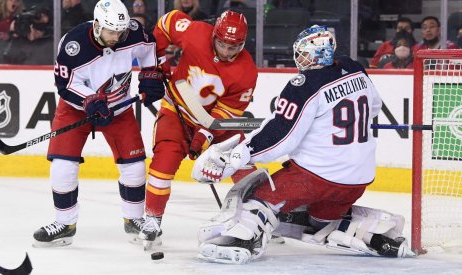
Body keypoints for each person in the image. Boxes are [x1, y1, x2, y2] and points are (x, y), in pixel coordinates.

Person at [191, 25, 414, 264]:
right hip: (358, 178)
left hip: (316, 177)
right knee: (318, 219)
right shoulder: (354, 68)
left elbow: (281, 137)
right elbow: (375, 107)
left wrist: (239, 156)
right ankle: (372, 233)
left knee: (256, 197)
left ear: (320, 53)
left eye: (304, 53)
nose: (300, 59)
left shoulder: (304, 84)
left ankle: (243, 241)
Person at [32, 0, 165, 247]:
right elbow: (65, 85)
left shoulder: (132, 32)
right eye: (111, 31)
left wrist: (150, 75)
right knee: (62, 167)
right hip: (76, 111)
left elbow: (150, 48)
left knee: (135, 168)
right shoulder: (73, 45)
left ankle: (134, 220)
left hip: (119, 108)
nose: (117, 36)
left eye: (120, 31)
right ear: (96, 25)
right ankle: (64, 224)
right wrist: (89, 100)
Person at [137, 9, 258, 249]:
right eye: (221, 44)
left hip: (215, 121)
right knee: (164, 160)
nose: (225, 52)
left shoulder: (247, 72)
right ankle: (152, 219)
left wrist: (204, 135)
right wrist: (157, 63)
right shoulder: (195, 32)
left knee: (241, 159)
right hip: (177, 108)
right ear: (214, 34)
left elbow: (226, 113)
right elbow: (166, 22)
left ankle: (256, 215)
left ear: (243, 44)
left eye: (233, 48)